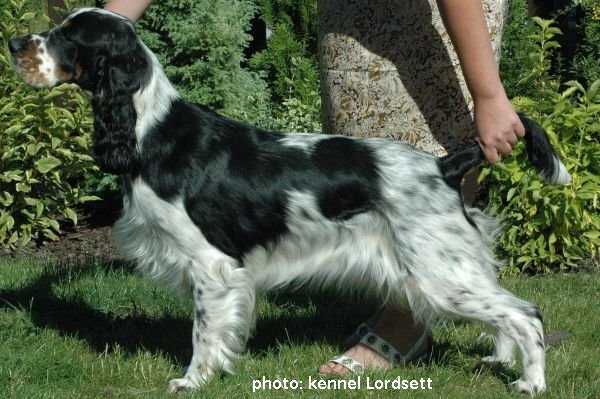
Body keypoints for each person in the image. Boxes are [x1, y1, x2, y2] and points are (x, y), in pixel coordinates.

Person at [104, 0, 525, 375]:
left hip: (440, 29)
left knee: (423, 219)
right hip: (353, 23)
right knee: (362, 183)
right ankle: (458, 321)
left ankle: (407, 330)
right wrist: (111, 24)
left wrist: (487, 94)